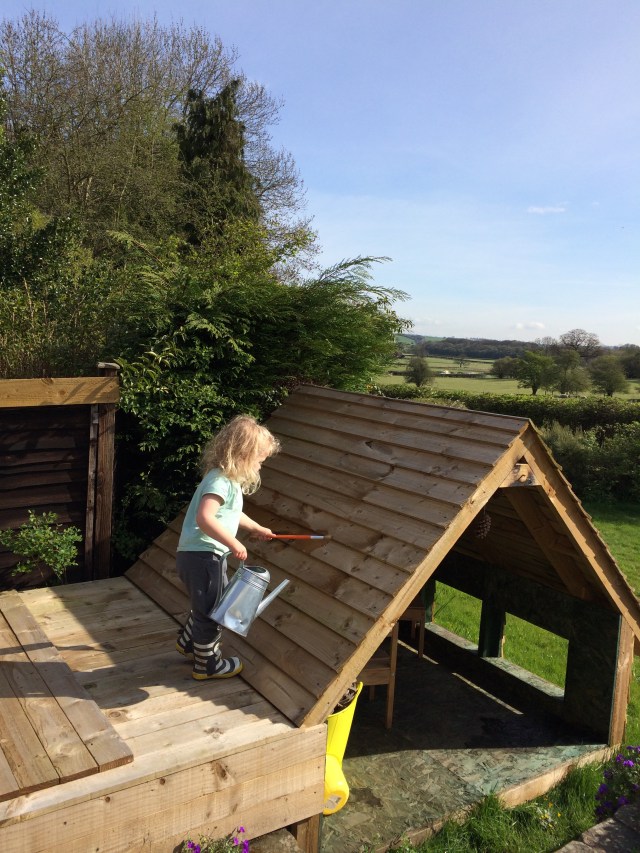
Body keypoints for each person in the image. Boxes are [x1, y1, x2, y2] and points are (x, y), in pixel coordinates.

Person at [175, 415, 280, 680]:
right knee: (213, 612)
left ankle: (189, 644)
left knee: (206, 604)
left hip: (200, 555)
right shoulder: (219, 482)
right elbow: (205, 517)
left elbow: (230, 515)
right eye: (259, 460)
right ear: (243, 454)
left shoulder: (225, 481)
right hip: (204, 556)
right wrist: (233, 542)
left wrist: (255, 528)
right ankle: (207, 665)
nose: (259, 466)